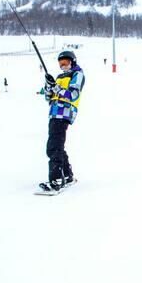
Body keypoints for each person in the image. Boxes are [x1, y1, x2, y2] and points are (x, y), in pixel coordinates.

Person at [40, 50, 85, 192]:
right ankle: (67, 174)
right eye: (60, 64)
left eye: (65, 63)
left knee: (53, 147)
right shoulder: (60, 77)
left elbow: (72, 95)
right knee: (57, 146)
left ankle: (56, 179)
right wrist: (49, 86)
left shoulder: (77, 74)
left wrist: (56, 87)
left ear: (72, 61)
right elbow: (48, 97)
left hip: (64, 113)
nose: (63, 66)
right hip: (54, 113)